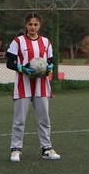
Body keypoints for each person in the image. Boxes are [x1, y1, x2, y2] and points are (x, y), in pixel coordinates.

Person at [6, 12, 60, 162]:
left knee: (44, 119)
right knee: (19, 120)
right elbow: (9, 62)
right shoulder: (18, 41)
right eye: (30, 24)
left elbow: (51, 61)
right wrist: (23, 69)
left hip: (41, 85)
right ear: (26, 25)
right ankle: (15, 149)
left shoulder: (46, 42)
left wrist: (48, 68)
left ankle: (47, 148)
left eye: (36, 24)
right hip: (23, 85)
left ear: (40, 25)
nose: (33, 27)